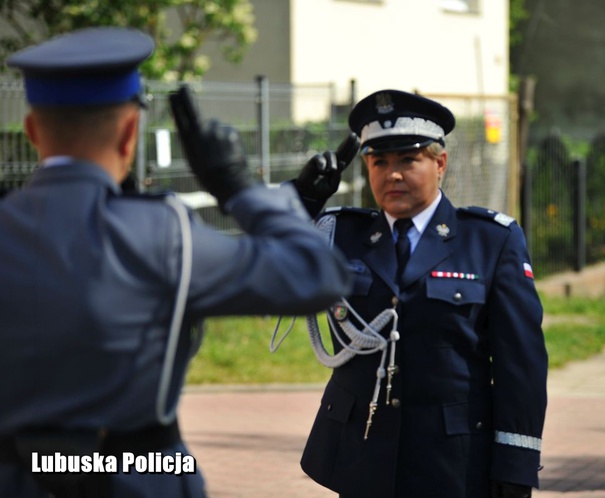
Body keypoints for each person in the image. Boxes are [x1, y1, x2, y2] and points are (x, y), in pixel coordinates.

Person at [0, 27, 352, 498]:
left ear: (31, 132)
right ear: (130, 132)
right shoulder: (163, 234)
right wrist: (238, 187)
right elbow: (317, 276)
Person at [293, 89, 548, 498]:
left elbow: (522, 366)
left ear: (439, 163)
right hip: (361, 457)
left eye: (407, 160)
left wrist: (515, 462)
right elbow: (261, 263)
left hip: (452, 461)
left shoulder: (490, 241)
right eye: (379, 161)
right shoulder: (339, 234)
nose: (392, 175)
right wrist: (301, 201)